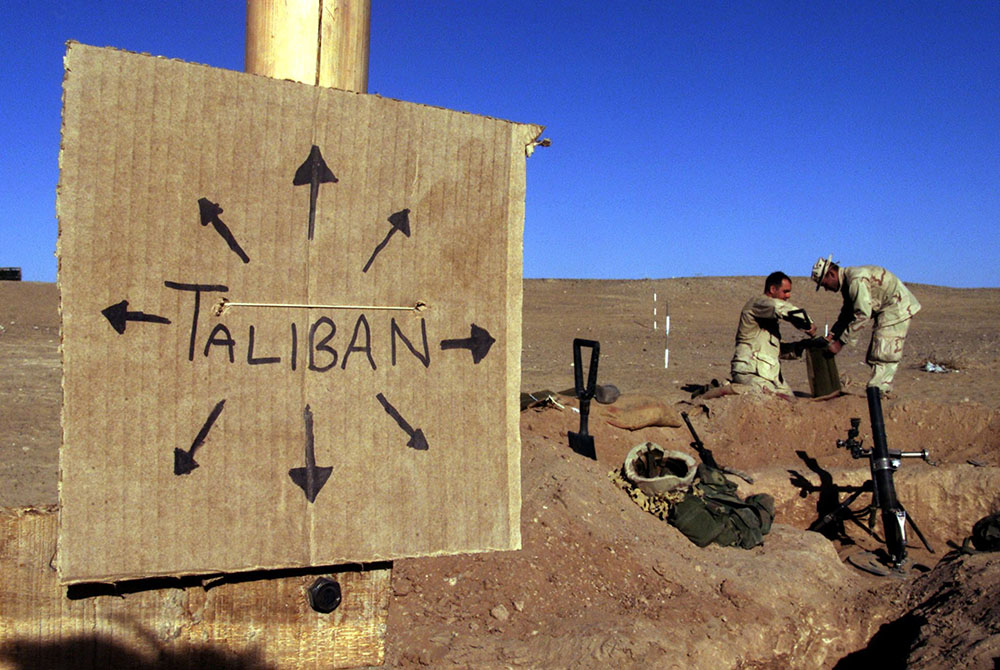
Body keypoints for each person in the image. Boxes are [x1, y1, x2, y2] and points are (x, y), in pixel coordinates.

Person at [811, 255, 920, 393]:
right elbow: (847, 314)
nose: (826, 288)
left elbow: (862, 314)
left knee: (884, 351)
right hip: (886, 308)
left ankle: (880, 390)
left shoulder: (855, 280)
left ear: (831, 274)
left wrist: (840, 344)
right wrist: (833, 335)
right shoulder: (848, 282)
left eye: (824, 284)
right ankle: (877, 389)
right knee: (874, 354)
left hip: (896, 307)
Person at [730, 271, 816, 395]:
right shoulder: (758, 303)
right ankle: (724, 389)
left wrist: (802, 345)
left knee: (792, 401)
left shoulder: (770, 320)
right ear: (772, 289)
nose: (788, 296)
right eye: (785, 291)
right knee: (769, 397)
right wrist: (806, 321)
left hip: (770, 375)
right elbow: (778, 307)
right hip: (749, 372)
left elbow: (775, 351)